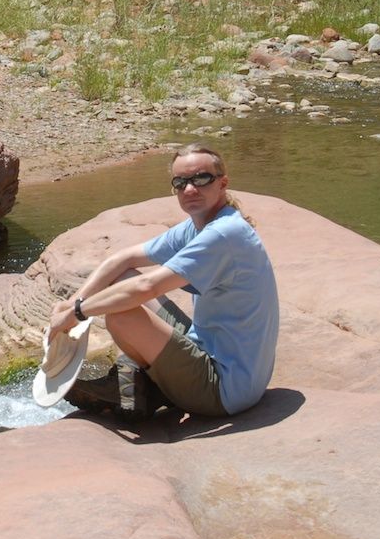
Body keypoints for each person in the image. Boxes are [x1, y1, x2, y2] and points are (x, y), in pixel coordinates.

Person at [46, 144, 279, 419]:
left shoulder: (224, 233)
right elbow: (121, 260)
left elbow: (148, 288)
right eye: (180, 183)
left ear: (222, 183)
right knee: (122, 278)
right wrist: (73, 303)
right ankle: (145, 382)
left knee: (121, 316)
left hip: (223, 390)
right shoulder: (199, 224)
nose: (190, 189)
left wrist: (77, 314)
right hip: (210, 351)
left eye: (201, 179)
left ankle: (145, 388)